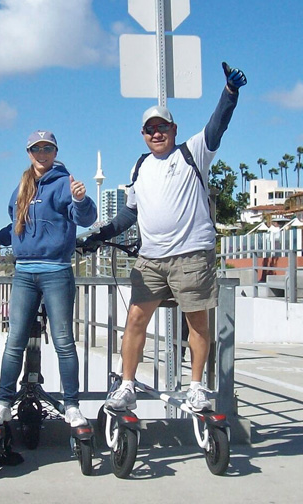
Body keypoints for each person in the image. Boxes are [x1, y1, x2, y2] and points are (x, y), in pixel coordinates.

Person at [85, 61, 247, 412]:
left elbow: (217, 125)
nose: (156, 133)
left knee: (197, 323)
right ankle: (127, 385)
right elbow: (130, 213)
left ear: (174, 128)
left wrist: (229, 93)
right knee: (135, 320)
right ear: (143, 134)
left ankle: (198, 387)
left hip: (192, 255)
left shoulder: (193, 153)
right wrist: (100, 234)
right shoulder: (139, 166)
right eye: (149, 129)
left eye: (161, 127)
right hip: (150, 260)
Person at [0, 130, 97, 427]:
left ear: (55, 152)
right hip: (23, 273)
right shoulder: (22, 186)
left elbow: (84, 218)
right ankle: (4, 402)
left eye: (48, 148)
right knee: (14, 341)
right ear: (29, 152)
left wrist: (81, 200)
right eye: (36, 149)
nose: (42, 153)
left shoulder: (64, 183)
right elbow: (15, 226)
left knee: (63, 341)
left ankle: (71, 405)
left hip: (56, 271)